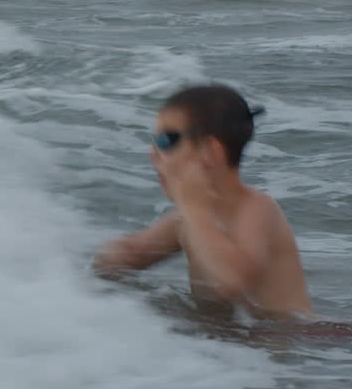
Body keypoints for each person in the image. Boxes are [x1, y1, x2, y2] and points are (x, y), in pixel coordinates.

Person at [93, 84, 314, 321]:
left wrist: (194, 209)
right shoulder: (187, 220)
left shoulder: (257, 208)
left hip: (299, 342)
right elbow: (128, 256)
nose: (153, 153)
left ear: (210, 151)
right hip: (239, 348)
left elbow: (231, 281)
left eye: (166, 140)